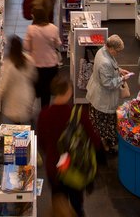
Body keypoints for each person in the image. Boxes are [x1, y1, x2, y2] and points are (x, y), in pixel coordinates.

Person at [37, 73, 103, 217]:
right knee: (76, 204)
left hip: (54, 167)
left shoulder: (44, 115)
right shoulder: (78, 114)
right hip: (75, 166)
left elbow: (41, 143)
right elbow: (94, 140)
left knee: (59, 205)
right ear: (69, 91)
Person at [84, 34, 130, 152]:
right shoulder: (105, 62)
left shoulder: (102, 50)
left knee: (98, 122)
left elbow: (111, 68)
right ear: (111, 48)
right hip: (103, 98)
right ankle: (104, 145)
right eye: (117, 51)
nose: (118, 53)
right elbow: (108, 83)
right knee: (104, 123)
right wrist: (122, 79)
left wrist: (119, 70)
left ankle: (102, 143)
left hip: (97, 94)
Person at [24, 5, 61, 109]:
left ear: (35, 17)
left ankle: (29, 109)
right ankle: (44, 111)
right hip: (51, 64)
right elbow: (58, 44)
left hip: (35, 64)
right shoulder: (54, 28)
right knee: (47, 91)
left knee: (33, 88)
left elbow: (26, 47)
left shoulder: (31, 29)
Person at [0, 36, 37, 123]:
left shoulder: (8, 64)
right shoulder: (29, 59)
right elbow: (33, 75)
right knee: (26, 118)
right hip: (27, 94)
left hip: (14, 99)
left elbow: (3, 83)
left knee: (17, 125)